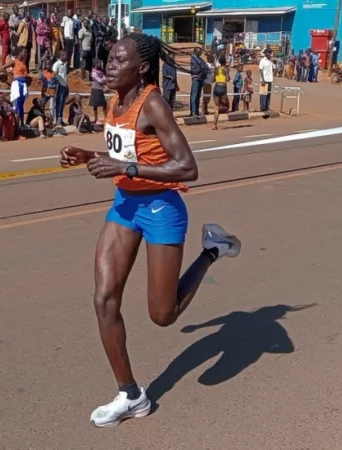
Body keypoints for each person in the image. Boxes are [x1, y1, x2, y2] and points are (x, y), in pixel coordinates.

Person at [59, 33, 240, 428]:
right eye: (108, 58)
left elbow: (188, 167)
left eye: (118, 60)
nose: (109, 65)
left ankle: (212, 249)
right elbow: (128, 155)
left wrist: (125, 169)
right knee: (104, 300)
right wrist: (90, 157)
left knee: (163, 315)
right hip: (125, 205)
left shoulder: (152, 104)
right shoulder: (115, 100)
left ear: (140, 68)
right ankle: (131, 395)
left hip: (161, 209)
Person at [2, 47, 29, 127]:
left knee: (21, 105)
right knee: (16, 105)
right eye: (25, 52)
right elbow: (3, 68)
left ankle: (22, 123)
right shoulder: (14, 61)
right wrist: (12, 77)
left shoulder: (23, 62)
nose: (26, 54)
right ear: (20, 52)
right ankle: (15, 124)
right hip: (17, 84)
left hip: (23, 84)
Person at [211, 57, 229, 130]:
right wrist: (227, 73)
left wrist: (215, 74)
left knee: (216, 106)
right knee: (227, 106)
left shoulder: (216, 69)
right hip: (223, 88)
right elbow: (227, 79)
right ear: (225, 62)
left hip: (216, 87)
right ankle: (220, 110)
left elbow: (212, 80)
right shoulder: (226, 69)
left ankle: (214, 124)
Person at [52, 49, 68, 126]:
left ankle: (60, 119)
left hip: (65, 86)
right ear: (61, 55)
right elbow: (54, 76)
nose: (67, 56)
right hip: (60, 86)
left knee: (63, 104)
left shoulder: (65, 63)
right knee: (59, 103)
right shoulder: (56, 65)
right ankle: (58, 121)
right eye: (65, 55)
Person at [189, 47, 206, 117]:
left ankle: (196, 111)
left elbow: (204, 67)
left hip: (201, 78)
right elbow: (195, 69)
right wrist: (201, 70)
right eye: (199, 51)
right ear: (195, 51)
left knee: (198, 96)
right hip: (196, 79)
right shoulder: (193, 59)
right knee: (194, 96)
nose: (200, 53)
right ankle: (193, 112)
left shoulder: (200, 59)